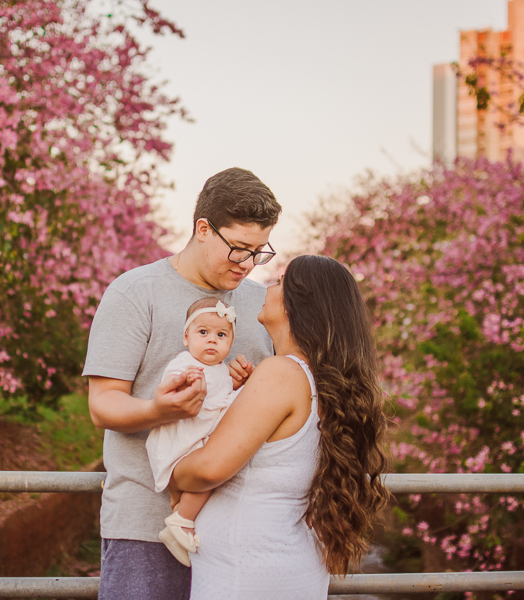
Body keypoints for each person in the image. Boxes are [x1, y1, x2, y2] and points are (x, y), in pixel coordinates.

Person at [83, 167, 281, 600]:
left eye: (258, 251)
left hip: (238, 528)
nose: (247, 264)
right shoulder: (135, 292)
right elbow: (103, 405)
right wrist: (159, 410)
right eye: (238, 249)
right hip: (145, 527)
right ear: (203, 229)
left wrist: (250, 387)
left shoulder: (263, 303)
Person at [172, 255, 390, 600]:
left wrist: (169, 468)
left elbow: (208, 469)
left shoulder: (281, 373)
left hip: (247, 572)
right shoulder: (317, 378)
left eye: (280, 283)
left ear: (297, 306)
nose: (269, 286)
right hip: (274, 564)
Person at [146, 298, 240, 567]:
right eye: (203, 333)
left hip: (196, 438)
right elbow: (171, 388)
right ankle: (182, 521)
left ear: (230, 343)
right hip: (180, 439)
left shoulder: (221, 370)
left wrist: (238, 384)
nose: (212, 340)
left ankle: (179, 512)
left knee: (211, 471)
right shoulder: (184, 364)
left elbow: (223, 397)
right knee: (210, 475)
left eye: (221, 335)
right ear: (186, 338)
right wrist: (187, 383)